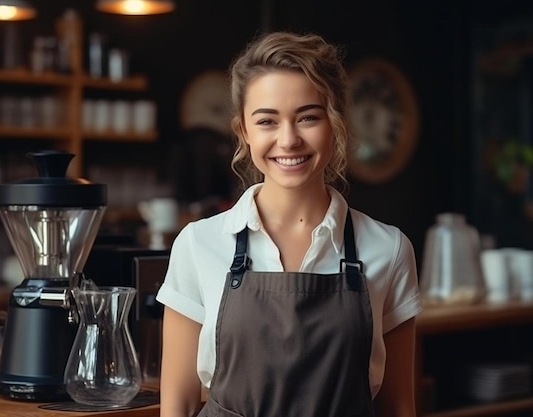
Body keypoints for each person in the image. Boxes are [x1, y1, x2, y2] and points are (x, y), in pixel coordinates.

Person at [156, 30, 422, 417]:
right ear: (244, 132)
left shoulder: (389, 249)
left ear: (336, 123)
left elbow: (398, 405)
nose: (289, 139)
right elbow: (177, 404)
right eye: (267, 121)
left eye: (308, 117)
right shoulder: (198, 244)